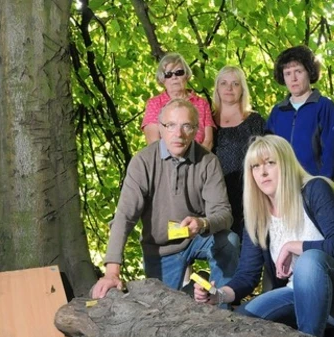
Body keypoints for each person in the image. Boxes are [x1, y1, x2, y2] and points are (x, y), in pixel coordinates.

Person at [194, 135, 334, 337]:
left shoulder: (315, 190)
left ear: (286, 164)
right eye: (255, 167)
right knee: (239, 323)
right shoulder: (257, 217)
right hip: (297, 293)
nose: (263, 172)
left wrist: (293, 246)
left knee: (310, 259)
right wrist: (218, 295)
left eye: (270, 163)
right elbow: (246, 276)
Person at [91, 99, 239, 299]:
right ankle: (193, 291)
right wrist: (111, 272)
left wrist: (203, 223)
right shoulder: (142, 162)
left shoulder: (208, 162)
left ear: (196, 129)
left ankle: (221, 307)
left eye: (186, 126)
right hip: (160, 249)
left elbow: (224, 214)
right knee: (162, 308)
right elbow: (124, 216)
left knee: (228, 240)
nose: (178, 134)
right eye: (171, 125)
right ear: (160, 128)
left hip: (198, 238)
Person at [265, 46, 334, 179]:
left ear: (309, 72)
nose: (293, 78)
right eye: (287, 73)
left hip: (314, 183)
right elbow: (268, 152)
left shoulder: (324, 106)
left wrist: (323, 184)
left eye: (298, 71)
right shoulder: (278, 111)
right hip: (283, 184)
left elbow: (331, 152)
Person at [212, 65, 265, 238]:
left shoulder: (254, 120)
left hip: (250, 195)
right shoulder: (207, 122)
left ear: (242, 89)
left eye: (235, 84)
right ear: (217, 88)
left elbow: (266, 158)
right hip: (217, 196)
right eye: (224, 83)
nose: (229, 88)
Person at [141, 53, 215, 150]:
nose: (174, 77)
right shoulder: (154, 104)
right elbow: (153, 141)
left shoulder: (202, 103)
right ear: (162, 79)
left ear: (186, 75)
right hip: (164, 163)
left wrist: (196, 163)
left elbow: (208, 141)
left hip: (198, 161)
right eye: (168, 74)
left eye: (179, 72)